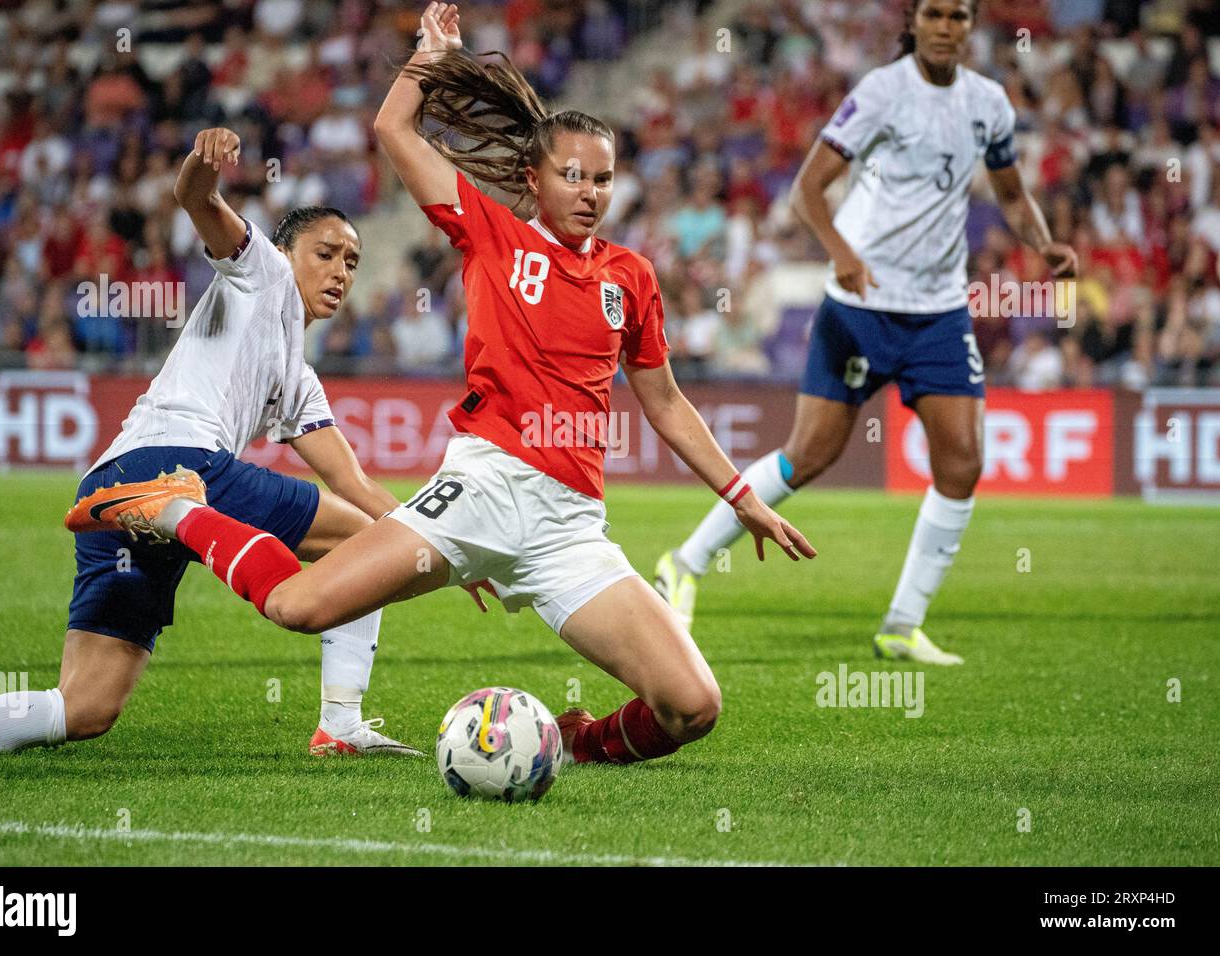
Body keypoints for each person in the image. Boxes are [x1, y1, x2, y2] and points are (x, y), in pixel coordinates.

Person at [60, 2, 816, 766]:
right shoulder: (492, 232)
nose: (590, 192)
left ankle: (581, 743)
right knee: (297, 604)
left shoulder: (633, 277)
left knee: (692, 707)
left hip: (569, 529)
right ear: (535, 177)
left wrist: (742, 499)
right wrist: (431, 52)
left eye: (605, 179)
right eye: (573, 175)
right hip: (480, 492)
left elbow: (665, 402)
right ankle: (174, 512)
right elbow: (394, 130)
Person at [0, 127, 422, 757]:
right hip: (180, 462)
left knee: (84, 708)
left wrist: (436, 538)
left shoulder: (300, 380)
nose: (340, 271)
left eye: (352, 261)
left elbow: (353, 481)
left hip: (110, 483)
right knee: (362, 543)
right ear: (286, 250)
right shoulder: (260, 270)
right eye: (326, 253)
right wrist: (201, 162)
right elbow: (196, 200)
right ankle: (341, 724)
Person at [655, 0, 1079, 664]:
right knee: (809, 457)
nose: (947, 26)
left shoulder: (990, 102)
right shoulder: (883, 92)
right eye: (935, 14)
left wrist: (1045, 244)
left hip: (938, 311)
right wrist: (842, 254)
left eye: (960, 16)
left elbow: (1012, 192)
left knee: (963, 463)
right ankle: (685, 562)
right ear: (914, 22)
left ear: (971, 26)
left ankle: (902, 624)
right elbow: (808, 189)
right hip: (860, 306)